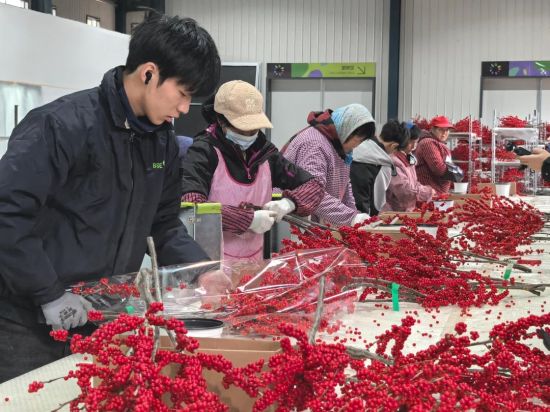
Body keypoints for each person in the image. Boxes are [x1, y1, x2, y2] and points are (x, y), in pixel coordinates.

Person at [0, 13, 226, 383]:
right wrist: (48, 294)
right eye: (183, 94)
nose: (185, 109)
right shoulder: (62, 126)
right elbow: (8, 213)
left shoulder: (162, 143)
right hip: (27, 322)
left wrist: (203, 270)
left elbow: (164, 223)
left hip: (100, 317)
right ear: (149, 73)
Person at [181, 80, 323, 264]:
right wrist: (248, 219)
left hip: (253, 263)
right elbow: (192, 205)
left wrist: (289, 203)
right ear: (221, 120)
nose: (249, 134)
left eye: (253, 128)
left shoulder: (265, 154)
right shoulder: (203, 152)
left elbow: (314, 186)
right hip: (210, 264)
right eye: (242, 128)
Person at [281, 104, 376, 227]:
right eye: (358, 140)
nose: (357, 145)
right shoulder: (314, 145)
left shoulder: (338, 146)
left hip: (319, 222)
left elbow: (345, 187)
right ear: (347, 130)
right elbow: (311, 194)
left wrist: (355, 216)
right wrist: (351, 217)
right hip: (295, 219)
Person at [350, 119, 411, 215]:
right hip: (360, 215)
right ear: (393, 146)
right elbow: (376, 203)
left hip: (340, 211)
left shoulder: (358, 145)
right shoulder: (381, 164)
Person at [382, 124, 435, 212]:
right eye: (410, 142)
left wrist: (427, 190)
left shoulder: (409, 158)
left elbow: (414, 183)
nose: (414, 146)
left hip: (406, 210)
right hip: (393, 211)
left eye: (416, 142)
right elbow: (403, 190)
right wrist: (426, 192)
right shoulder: (393, 162)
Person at [415, 115, 455, 194]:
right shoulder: (428, 143)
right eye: (441, 129)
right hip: (429, 192)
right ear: (433, 129)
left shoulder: (438, 143)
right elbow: (438, 168)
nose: (444, 133)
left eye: (447, 130)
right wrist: (456, 173)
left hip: (436, 192)